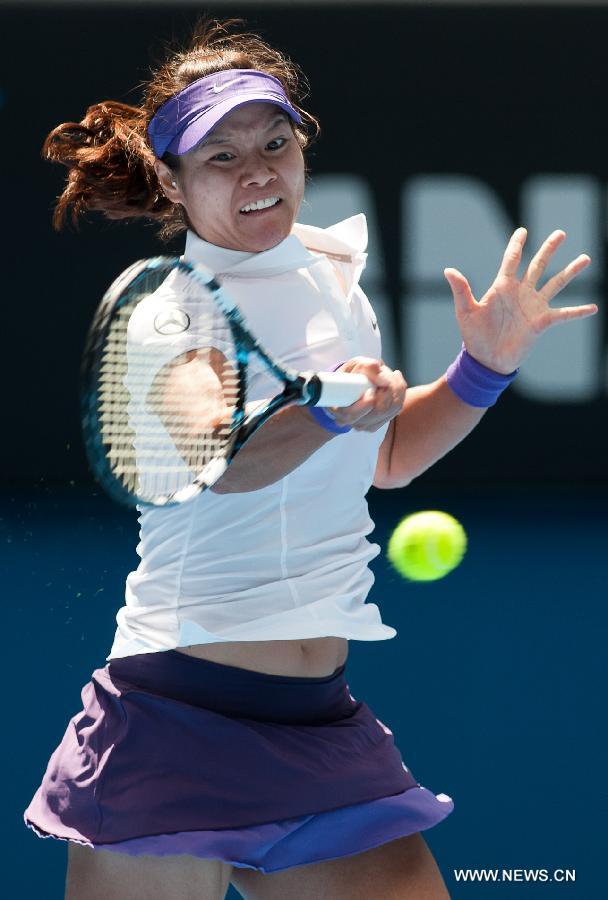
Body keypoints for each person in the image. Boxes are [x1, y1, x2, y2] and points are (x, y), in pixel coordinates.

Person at [23, 19, 596, 900]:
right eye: (221, 156)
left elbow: (391, 453)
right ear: (172, 182)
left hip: (316, 723)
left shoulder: (334, 278)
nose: (257, 171)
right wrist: (325, 418)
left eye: (274, 143)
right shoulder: (169, 318)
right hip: (172, 717)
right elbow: (224, 463)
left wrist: (483, 368)